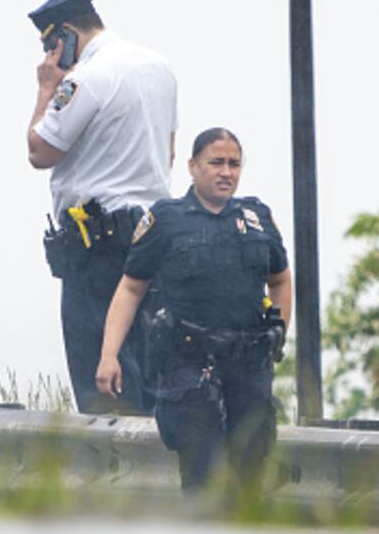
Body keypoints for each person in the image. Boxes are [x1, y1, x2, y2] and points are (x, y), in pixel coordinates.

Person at [96, 128, 292, 492]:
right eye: (216, 163)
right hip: (190, 366)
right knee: (202, 476)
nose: (226, 172)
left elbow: (280, 279)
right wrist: (109, 356)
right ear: (193, 166)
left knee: (251, 474)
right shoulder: (166, 219)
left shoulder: (256, 217)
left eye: (234, 164)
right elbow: (131, 288)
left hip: (248, 366)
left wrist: (277, 335)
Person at [27, 0, 177, 415]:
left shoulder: (86, 77)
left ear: (65, 36)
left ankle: (111, 456)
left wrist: (46, 88)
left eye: (50, 46)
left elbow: (39, 151)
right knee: (150, 366)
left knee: (102, 376)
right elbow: (168, 151)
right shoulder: (159, 67)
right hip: (153, 232)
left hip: (99, 245)